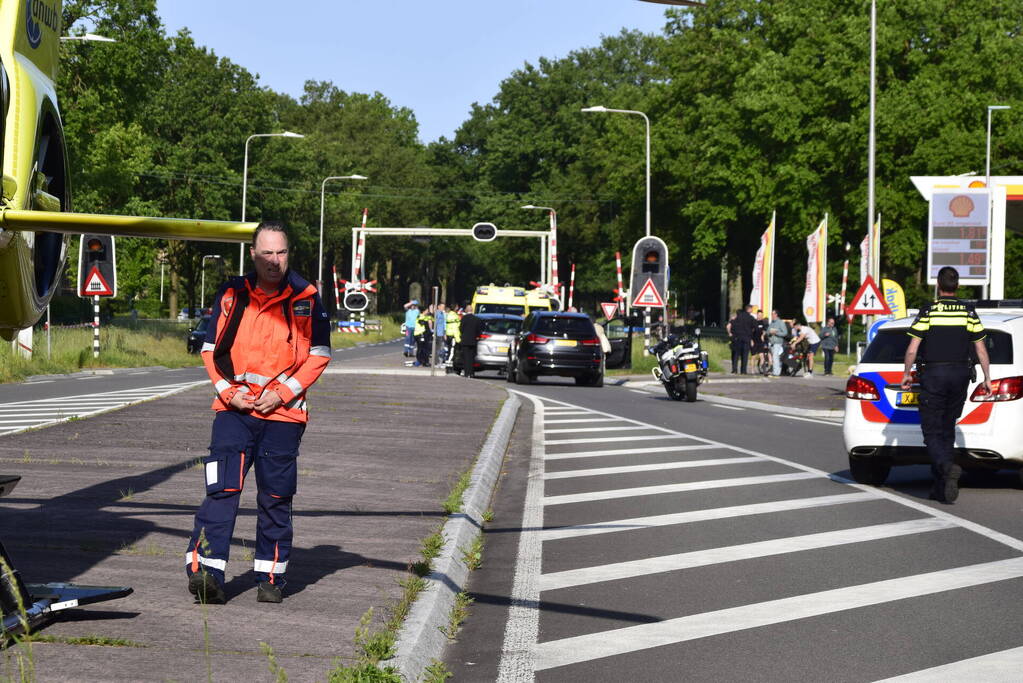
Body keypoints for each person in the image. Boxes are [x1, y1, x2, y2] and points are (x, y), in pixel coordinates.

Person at [186, 221, 331, 605]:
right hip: (234, 412)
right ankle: (206, 573)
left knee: (275, 497)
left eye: (281, 252)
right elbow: (209, 347)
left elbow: (319, 355)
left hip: (283, 418)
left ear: (289, 254)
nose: (274, 261)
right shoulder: (233, 293)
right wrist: (227, 392)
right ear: (253, 254)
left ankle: (271, 577)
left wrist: (282, 394)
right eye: (266, 253)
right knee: (222, 491)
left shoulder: (307, 297)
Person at [901, 266, 991, 504]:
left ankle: (946, 467)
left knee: (931, 431)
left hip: (935, 374)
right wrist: (987, 378)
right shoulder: (968, 312)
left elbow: (912, 348)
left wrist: (906, 374)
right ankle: (940, 487)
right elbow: (981, 348)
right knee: (947, 429)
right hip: (961, 374)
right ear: (957, 286)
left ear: (938, 286)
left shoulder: (929, 311)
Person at [729, 305, 757, 374]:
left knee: (736, 355)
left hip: (737, 338)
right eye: (752, 309)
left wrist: (732, 334)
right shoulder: (751, 318)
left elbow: (732, 325)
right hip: (747, 338)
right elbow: (756, 328)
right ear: (749, 309)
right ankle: (743, 370)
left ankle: (734, 369)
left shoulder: (738, 317)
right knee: (745, 355)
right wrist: (751, 335)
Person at [458, 304, 482, 378]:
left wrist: (463, 334)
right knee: (471, 357)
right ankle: (471, 372)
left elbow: (461, 328)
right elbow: (479, 330)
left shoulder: (464, 318)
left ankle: (466, 372)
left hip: (465, 340)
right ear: (472, 310)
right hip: (473, 340)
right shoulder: (476, 319)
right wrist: (477, 336)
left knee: (465, 357)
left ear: (466, 310)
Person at [767, 310, 788, 376]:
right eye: (771, 314)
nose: (772, 315)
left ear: (776, 314)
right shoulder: (771, 323)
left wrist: (776, 333)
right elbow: (767, 332)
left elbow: (785, 333)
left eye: (773, 314)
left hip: (778, 342)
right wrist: (769, 333)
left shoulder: (781, 322)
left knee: (775, 356)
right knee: (774, 357)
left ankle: (776, 372)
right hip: (772, 343)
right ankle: (775, 371)